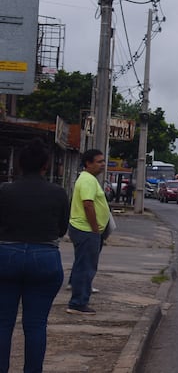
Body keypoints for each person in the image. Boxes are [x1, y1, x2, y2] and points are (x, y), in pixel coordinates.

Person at [0, 141, 70, 373]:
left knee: (3, 324)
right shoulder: (58, 193)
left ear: (19, 165)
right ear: (45, 165)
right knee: (36, 324)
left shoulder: (5, 191)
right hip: (45, 258)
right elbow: (62, 229)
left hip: (6, 256)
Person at [66, 149, 110, 315]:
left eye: (103, 161)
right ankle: (78, 303)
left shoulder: (89, 179)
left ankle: (78, 299)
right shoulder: (87, 180)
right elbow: (88, 204)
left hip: (86, 229)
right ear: (88, 163)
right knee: (86, 267)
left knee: (82, 265)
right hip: (86, 229)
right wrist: (95, 228)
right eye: (99, 162)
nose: (102, 165)